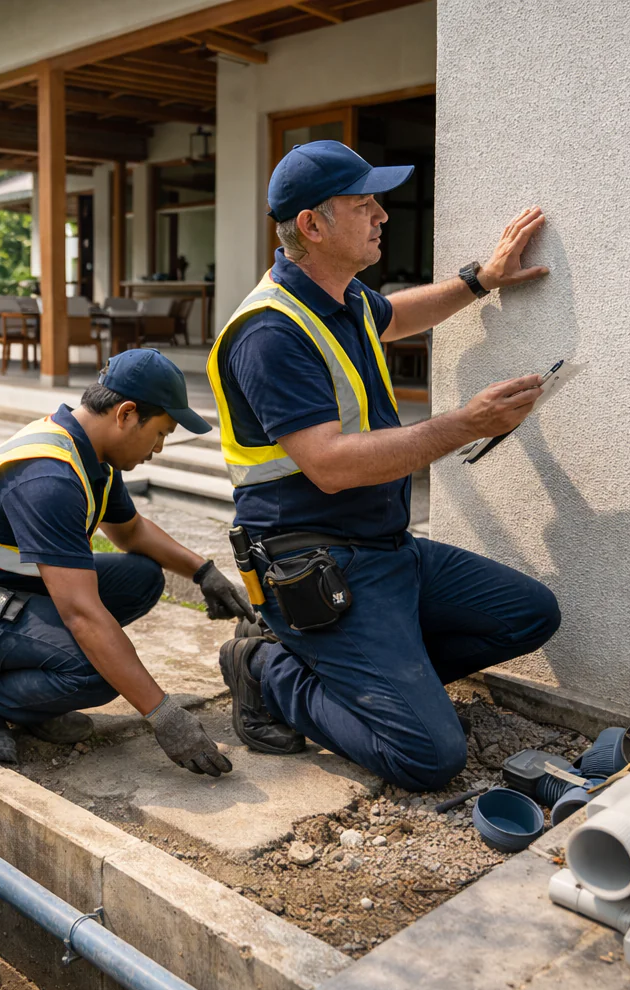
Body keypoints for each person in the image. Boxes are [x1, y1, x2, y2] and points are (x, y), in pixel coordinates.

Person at [209, 140, 561, 791]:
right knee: (429, 758)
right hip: (317, 563)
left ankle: (378, 680)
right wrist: (465, 424)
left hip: (384, 548)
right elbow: (331, 467)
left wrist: (480, 279)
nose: (383, 215)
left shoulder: (342, 299)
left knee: (531, 613)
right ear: (312, 225)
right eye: (363, 204)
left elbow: (395, 314)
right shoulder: (269, 334)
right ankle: (267, 669)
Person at [0, 348, 252, 775]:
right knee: (96, 672)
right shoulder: (50, 476)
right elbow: (81, 615)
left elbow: (131, 532)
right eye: (161, 432)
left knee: (141, 577)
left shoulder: (91, 453)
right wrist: (164, 715)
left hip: (1, 590)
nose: (158, 448)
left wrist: (203, 571)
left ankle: (35, 691)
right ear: (125, 414)